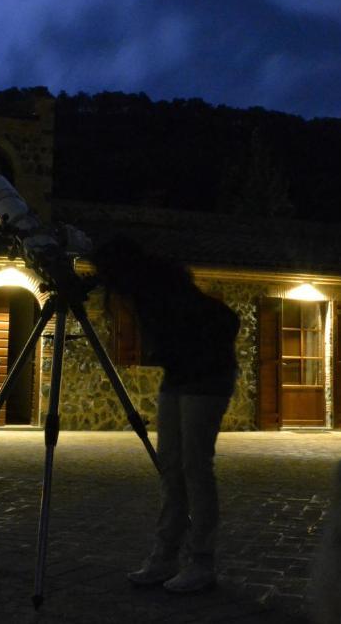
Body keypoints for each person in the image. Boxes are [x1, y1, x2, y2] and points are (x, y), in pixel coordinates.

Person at [90, 236, 240, 594]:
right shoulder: (144, 289)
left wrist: (196, 352)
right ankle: (165, 556)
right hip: (178, 376)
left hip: (206, 376)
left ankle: (202, 561)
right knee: (171, 466)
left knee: (195, 467)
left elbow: (225, 321)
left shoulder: (158, 288)